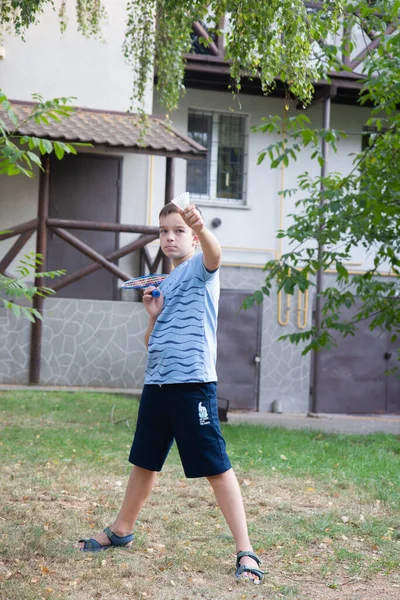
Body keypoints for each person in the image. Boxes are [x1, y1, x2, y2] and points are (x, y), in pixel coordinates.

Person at [78, 201, 264, 584]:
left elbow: (216, 254)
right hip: (157, 384)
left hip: (191, 385)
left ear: (193, 237)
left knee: (215, 465)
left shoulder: (200, 268)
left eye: (179, 230)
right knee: (144, 461)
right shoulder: (165, 281)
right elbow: (152, 342)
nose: (169, 237)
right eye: (164, 231)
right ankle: (122, 530)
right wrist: (153, 318)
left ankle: (245, 550)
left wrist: (203, 227)